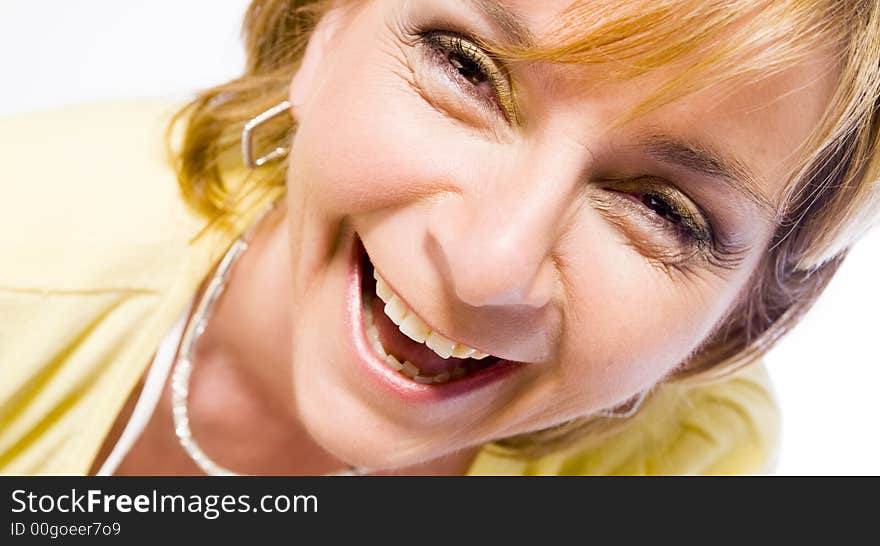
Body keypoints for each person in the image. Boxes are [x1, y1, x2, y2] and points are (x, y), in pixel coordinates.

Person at [1, 0, 878, 476]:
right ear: (323, 25)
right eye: (464, 67)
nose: (489, 264)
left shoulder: (685, 461)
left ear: (738, 321)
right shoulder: (21, 254)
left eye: (661, 210)